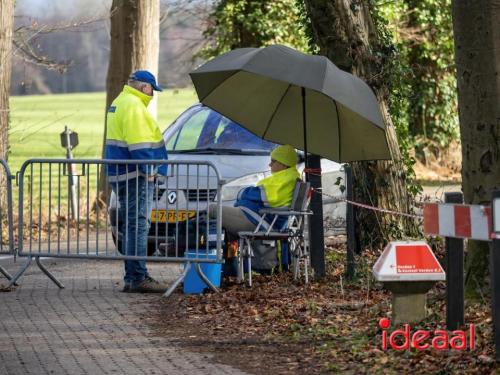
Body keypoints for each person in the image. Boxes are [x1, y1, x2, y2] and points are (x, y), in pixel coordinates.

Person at [105, 70, 169, 293]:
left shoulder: (120, 101)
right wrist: (150, 170)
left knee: (133, 224)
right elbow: (139, 143)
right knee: (138, 225)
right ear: (145, 87)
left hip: (122, 173)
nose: (153, 95)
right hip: (136, 175)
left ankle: (133, 276)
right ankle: (138, 277)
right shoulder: (134, 105)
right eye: (152, 90)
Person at [211, 144, 300, 238]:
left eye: (273, 161)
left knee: (212, 209)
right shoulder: (291, 177)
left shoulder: (284, 180)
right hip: (265, 219)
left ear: (283, 163)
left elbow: (255, 195)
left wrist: (242, 193)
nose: (270, 165)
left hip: (262, 222)